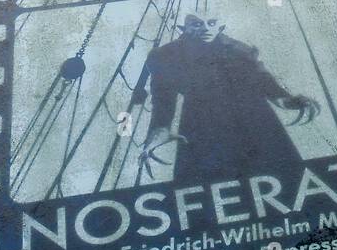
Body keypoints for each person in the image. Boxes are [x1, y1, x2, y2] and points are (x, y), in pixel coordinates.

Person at [131, 12, 320, 185]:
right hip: (201, 122)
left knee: (285, 179)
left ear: (219, 27)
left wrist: (286, 100)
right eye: (196, 24)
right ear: (184, 29)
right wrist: (159, 131)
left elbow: (262, 80)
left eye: (211, 23)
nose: (205, 28)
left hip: (254, 116)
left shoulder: (240, 50)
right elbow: (163, 99)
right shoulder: (165, 56)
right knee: (207, 189)